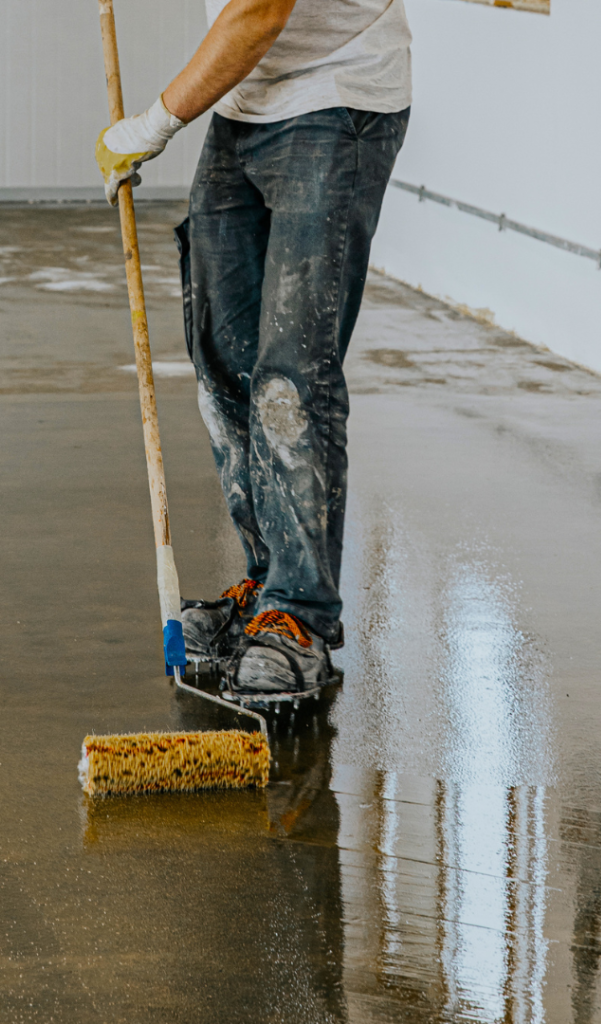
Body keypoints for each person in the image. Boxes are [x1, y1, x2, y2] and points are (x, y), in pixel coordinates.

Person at [96, 0, 410, 702]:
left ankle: (300, 616)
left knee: (291, 380)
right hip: (247, 103)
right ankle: (270, 581)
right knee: (224, 363)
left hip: (338, 98)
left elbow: (259, 12)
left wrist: (150, 126)